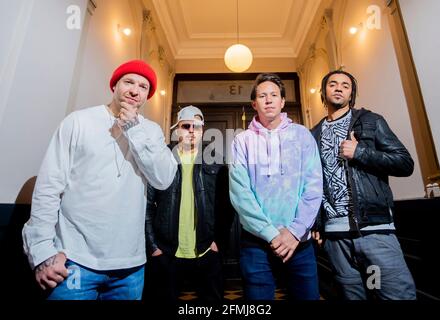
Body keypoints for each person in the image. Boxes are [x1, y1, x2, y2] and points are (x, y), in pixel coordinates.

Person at [22, 59, 178, 300]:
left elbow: (163, 179)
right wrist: (42, 251)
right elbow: (48, 187)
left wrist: (134, 129)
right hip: (74, 259)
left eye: (143, 86)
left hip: (130, 266)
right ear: (114, 85)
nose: (135, 90)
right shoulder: (79, 122)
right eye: (129, 82)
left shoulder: (152, 131)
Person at [310, 69, 416, 300]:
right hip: (335, 238)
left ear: (351, 94)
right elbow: (313, 183)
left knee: (390, 295)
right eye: (333, 84)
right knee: (354, 296)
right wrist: (317, 222)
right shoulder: (312, 135)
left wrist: (361, 152)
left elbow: (404, 163)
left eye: (345, 86)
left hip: (373, 233)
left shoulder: (370, 121)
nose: (339, 88)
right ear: (323, 91)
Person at [229, 73, 323, 300]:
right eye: (262, 96)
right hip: (256, 244)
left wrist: (294, 231)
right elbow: (240, 193)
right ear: (254, 104)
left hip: (299, 241)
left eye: (274, 95)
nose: (268, 100)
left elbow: (313, 187)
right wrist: (271, 233)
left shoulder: (302, 135)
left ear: (282, 102)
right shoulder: (242, 141)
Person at [144, 106, 234, 302]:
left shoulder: (216, 161)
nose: (192, 131)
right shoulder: (162, 159)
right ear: (177, 130)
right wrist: (153, 245)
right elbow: (147, 205)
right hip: (167, 251)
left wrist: (217, 242)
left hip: (206, 250)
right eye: (186, 126)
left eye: (198, 126)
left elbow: (226, 208)